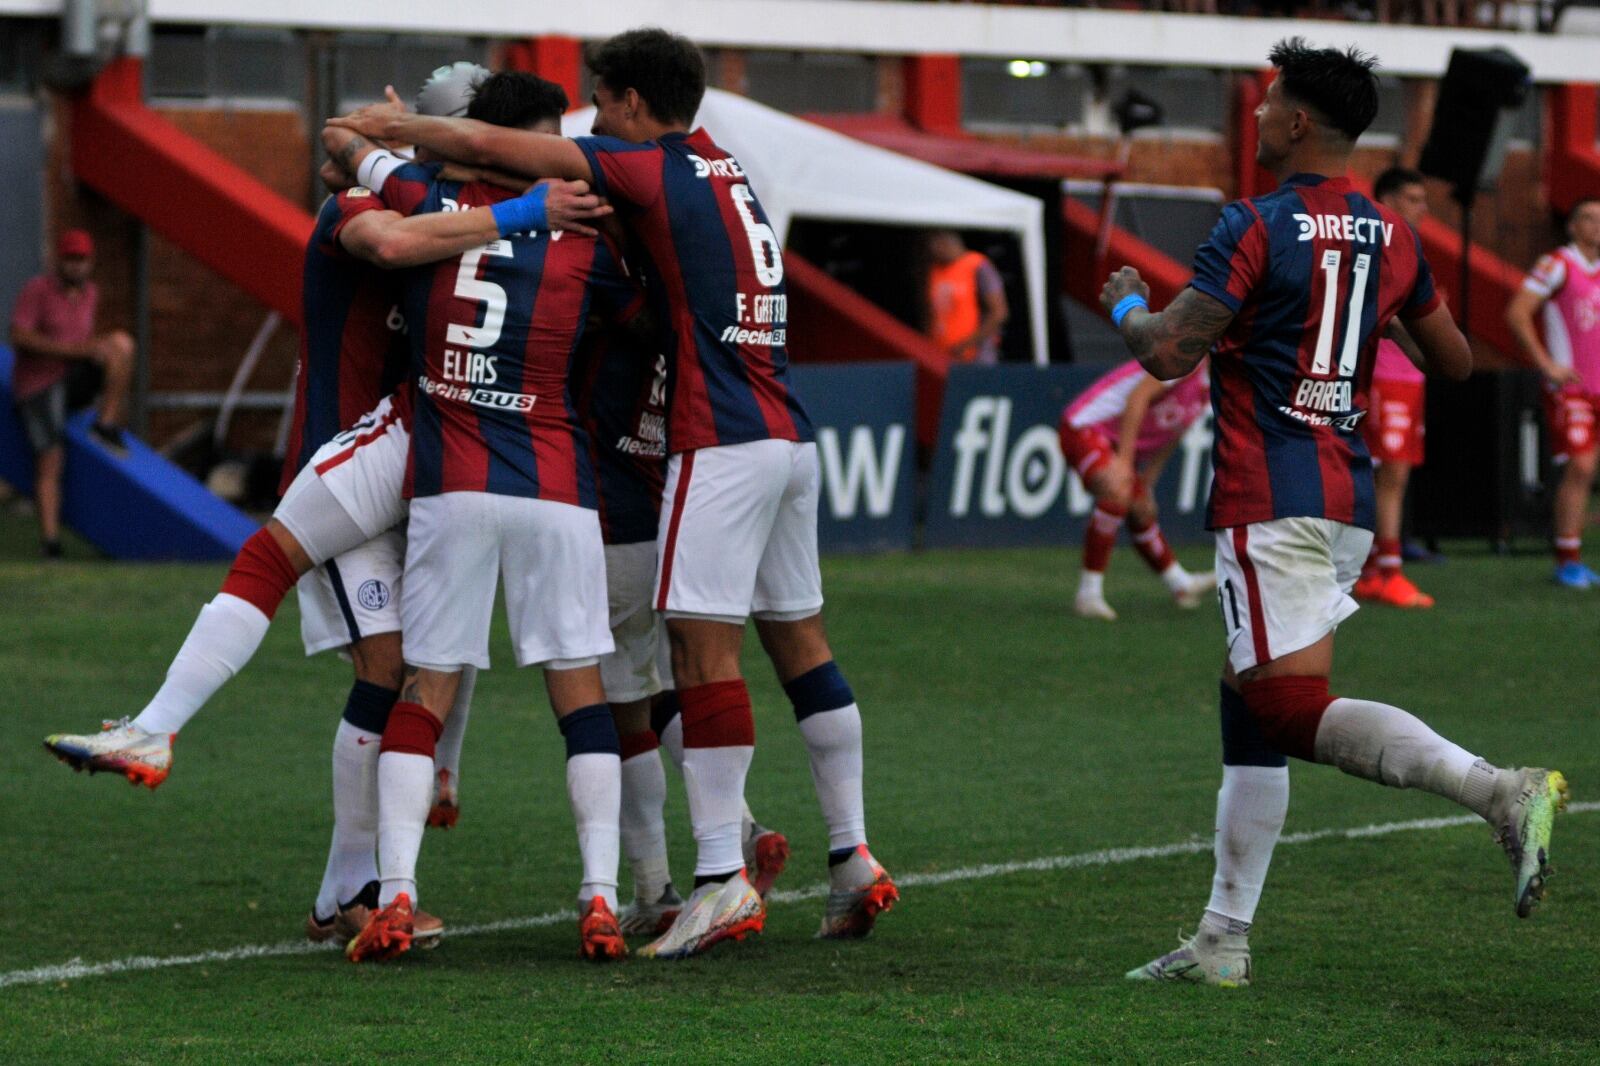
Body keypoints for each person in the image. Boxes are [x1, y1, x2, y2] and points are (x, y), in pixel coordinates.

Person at [333, 26, 897, 959]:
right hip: (788, 431)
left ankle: (715, 879)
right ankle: (853, 857)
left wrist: (384, 134)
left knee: (695, 650)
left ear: (633, 104)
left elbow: (487, 150)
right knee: (800, 641)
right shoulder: (729, 168)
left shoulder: (646, 168)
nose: (594, 123)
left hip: (711, 443)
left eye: (602, 103)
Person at [41, 69, 607, 948]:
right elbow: (379, 227)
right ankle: (203, 767)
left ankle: (349, 887)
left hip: (430, 459)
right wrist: (504, 204)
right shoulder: (375, 208)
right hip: (350, 456)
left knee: (417, 661)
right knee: (384, 668)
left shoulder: (476, 219)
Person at [1099, 38, 1567, 987]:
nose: (1259, 116)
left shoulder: (1255, 224)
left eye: (1269, 103)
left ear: (1300, 121)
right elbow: (1458, 362)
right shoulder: (1392, 236)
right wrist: (1368, 312)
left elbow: (1169, 354)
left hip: (1269, 493)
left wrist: (1125, 309)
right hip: (1343, 493)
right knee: (1246, 699)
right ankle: (1222, 942)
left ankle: (1496, 792)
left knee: (1281, 704)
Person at [327, 72, 637, 964]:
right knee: (579, 692)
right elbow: (643, 322)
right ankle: (602, 898)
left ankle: (396, 895)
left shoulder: (427, 196)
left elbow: (340, 141)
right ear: (529, 142)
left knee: (426, 688)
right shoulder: (593, 230)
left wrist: (386, 131)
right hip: (555, 483)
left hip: (453, 482)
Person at [8, 229, 136, 557]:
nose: (76, 266)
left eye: (82, 260)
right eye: (70, 259)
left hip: (70, 381)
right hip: (39, 385)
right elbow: (18, 336)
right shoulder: (38, 290)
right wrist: (74, 351)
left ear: (90, 262)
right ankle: (50, 543)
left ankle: (105, 424)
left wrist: (89, 352)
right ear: (58, 261)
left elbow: (86, 345)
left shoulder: (91, 293)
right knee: (51, 459)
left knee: (121, 344)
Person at [1057, 358, 1215, 620]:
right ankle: (1088, 595)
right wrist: (1125, 462)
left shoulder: (1210, 387)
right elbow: (1137, 398)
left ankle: (1181, 584)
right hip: (1084, 426)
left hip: (1113, 440)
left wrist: (1148, 480)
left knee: (1141, 509)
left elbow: (1175, 431)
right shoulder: (1183, 360)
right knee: (1118, 491)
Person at [1505, 198, 1600, 589]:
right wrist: (1547, 364)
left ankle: (1572, 553)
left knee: (1587, 471)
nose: (1597, 226)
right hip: (1571, 387)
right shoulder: (1557, 264)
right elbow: (1517, 311)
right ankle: (1567, 559)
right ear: (1572, 226)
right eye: (1590, 219)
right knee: (1579, 467)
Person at [1353, 166, 1437, 608]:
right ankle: (1386, 572)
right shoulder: (1378, 245)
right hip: (1384, 372)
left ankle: (1371, 569)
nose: (1422, 208)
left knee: (1388, 475)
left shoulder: (1406, 246)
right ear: (1385, 198)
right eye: (1412, 198)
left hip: (1408, 376)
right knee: (1388, 475)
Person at [926, 229, 1008, 365]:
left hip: (976, 358)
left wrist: (966, 344)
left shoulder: (978, 266)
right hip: (944, 356)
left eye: (935, 246)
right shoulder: (936, 270)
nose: (933, 252)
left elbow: (999, 313)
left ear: (946, 244)